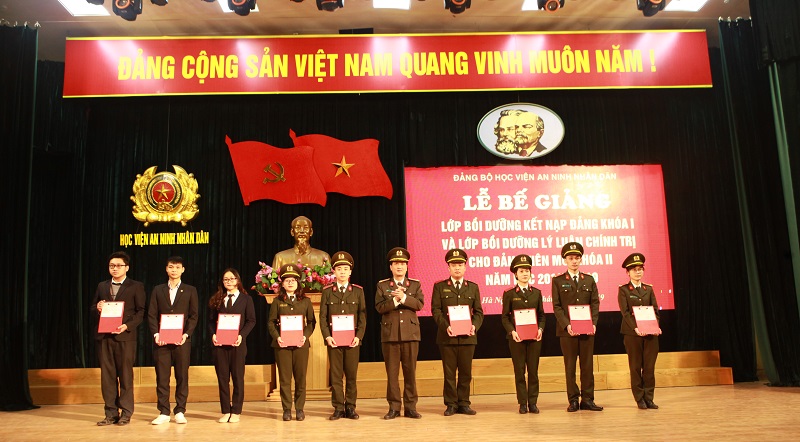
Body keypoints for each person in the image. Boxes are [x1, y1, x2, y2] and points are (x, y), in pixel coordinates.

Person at [92, 251, 146, 426]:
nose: (115, 269)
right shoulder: (102, 286)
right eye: (112, 266)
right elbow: (92, 307)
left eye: (118, 266)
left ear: (126, 267)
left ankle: (126, 413)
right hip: (104, 336)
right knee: (107, 377)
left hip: (125, 337)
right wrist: (98, 307)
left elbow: (140, 312)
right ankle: (110, 413)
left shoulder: (135, 286)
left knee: (125, 376)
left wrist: (127, 326)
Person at [431, 248, 484, 416]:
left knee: (466, 372)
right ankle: (451, 404)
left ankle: (464, 403)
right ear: (448, 267)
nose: (457, 268)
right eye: (454, 265)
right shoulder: (440, 287)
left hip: (468, 337)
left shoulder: (473, 287)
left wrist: (474, 326)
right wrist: (446, 326)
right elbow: (436, 310)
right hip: (447, 337)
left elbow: (479, 312)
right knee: (449, 373)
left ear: (465, 267)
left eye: (460, 264)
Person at [147, 256, 199, 425]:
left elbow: (194, 316)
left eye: (177, 267)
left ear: (183, 270)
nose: (174, 270)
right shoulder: (158, 290)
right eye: (171, 267)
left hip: (182, 341)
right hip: (162, 341)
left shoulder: (190, 290)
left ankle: (180, 410)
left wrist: (186, 334)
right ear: (166, 269)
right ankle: (163, 411)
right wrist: (156, 334)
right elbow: (151, 314)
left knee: (182, 376)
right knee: (162, 377)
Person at [551, 242, 603, 412]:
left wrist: (593, 323)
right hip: (567, 332)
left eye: (577, 258)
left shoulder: (589, 279)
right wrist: (566, 325)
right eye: (571, 258)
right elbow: (557, 306)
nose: (574, 261)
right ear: (565, 260)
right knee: (570, 367)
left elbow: (595, 303)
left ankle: (588, 399)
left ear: (581, 259)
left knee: (587, 366)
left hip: (587, 329)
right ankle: (573, 400)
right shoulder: (558, 281)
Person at [375, 247, 424, 420]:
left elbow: (419, 304)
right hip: (390, 335)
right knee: (392, 374)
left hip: (411, 334)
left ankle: (410, 407)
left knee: (410, 373)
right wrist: (395, 300)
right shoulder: (383, 285)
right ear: (391, 267)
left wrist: (404, 298)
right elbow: (379, 307)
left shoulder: (415, 284)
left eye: (402, 263)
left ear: (407, 266)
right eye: (396, 263)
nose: (399, 266)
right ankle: (394, 407)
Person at [320, 251, 367, 420]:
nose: (342, 272)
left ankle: (351, 407)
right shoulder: (327, 292)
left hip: (352, 341)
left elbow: (362, 317)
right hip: (334, 341)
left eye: (345, 269)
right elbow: (323, 317)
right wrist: (327, 336)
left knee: (351, 376)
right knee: (336, 376)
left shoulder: (357, 291)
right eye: (339, 269)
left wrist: (358, 336)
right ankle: (338, 407)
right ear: (334, 271)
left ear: (350, 272)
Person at [267, 264, 316, 422]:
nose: (290, 283)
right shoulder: (277, 301)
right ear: (282, 284)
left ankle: (299, 409)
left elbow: (311, 322)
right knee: (285, 379)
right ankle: (287, 409)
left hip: (301, 344)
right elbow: (271, 322)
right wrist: (277, 337)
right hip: (282, 345)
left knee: (301, 378)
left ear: (298, 283)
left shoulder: (305, 301)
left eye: (293, 280)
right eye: (287, 280)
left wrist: (305, 336)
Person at [209, 268, 256, 424]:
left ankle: (236, 411)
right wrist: (213, 334)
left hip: (238, 344)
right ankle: (225, 411)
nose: (229, 282)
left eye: (232, 279)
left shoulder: (246, 299)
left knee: (237, 378)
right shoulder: (217, 299)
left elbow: (251, 321)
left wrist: (241, 335)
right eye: (226, 279)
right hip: (220, 345)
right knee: (222, 378)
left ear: (237, 280)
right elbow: (210, 321)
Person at [501, 254, 545, 414]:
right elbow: (505, 317)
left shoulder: (536, 293)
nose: (525, 273)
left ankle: (533, 402)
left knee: (533, 371)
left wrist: (540, 329)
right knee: (519, 371)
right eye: (521, 271)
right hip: (516, 338)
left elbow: (542, 315)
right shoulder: (509, 293)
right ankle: (522, 403)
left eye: (527, 270)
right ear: (515, 274)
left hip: (534, 338)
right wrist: (512, 331)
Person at [618, 253, 662, 410]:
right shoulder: (623, 290)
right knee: (636, 367)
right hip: (632, 334)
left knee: (649, 368)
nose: (638, 272)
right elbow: (625, 312)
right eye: (634, 270)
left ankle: (649, 397)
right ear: (628, 272)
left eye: (640, 269)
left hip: (650, 333)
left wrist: (655, 326)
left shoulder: (648, 289)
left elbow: (655, 310)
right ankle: (639, 398)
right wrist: (636, 328)